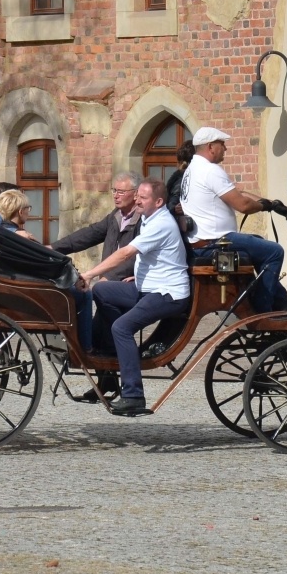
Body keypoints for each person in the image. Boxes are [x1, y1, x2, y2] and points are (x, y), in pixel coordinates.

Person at [80, 178, 190, 417]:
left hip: (167, 293)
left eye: (144, 197)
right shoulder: (150, 220)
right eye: (137, 195)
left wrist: (89, 273)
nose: (138, 200)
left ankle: (133, 395)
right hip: (147, 287)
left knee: (121, 327)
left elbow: (126, 253)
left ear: (159, 202)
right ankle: (110, 365)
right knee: (102, 291)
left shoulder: (161, 223)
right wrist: (138, 277)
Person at [180, 127, 287, 315]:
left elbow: (236, 194)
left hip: (202, 240)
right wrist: (267, 206)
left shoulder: (192, 170)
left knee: (259, 242)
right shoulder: (210, 170)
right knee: (274, 252)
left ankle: (281, 300)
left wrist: (267, 202)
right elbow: (243, 205)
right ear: (211, 147)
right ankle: (263, 309)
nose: (225, 149)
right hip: (217, 242)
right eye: (222, 144)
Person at [51, 171, 143, 401]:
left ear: (135, 194)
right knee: (96, 327)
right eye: (114, 191)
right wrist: (55, 248)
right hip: (112, 281)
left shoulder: (143, 220)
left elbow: (131, 256)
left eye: (121, 191)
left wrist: (107, 276)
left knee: (104, 318)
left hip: (130, 284)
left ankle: (117, 382)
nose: (116, 195)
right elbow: (89, 235)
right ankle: (108, 382)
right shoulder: (116, 216)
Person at [164, 143, 194, 213]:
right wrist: (174, 208)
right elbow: (174, 199)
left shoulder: (184, 175)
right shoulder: (183, 178)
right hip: (183, 220)